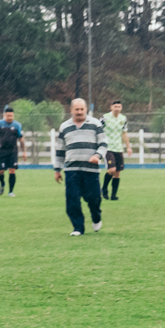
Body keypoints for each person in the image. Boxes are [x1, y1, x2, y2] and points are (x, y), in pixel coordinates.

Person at [54, 99, 107, 236]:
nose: (79, 112)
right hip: (71, 170)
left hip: (91, 170)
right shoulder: (64, 126)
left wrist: (97, 155)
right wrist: (57, 169)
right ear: (71, 110)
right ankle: (78, 228)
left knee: (94, 198)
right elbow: (60, 149)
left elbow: (103, 144)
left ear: (86, 110)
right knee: (72, 200)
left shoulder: (95, 124)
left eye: (81, 109)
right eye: (76, 109)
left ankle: (96, 217)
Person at [0, 104, 26, 196]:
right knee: (0, 172)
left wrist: (24, 151)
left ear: (13, 115)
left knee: (12, 171)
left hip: (13, 152)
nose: (10, 117)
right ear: (4, 115)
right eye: (8, 116)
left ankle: (10, 191)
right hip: (1, 151)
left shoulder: (17, 125)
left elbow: (21, 139)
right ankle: (2, 183)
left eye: (11, 116)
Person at [101, 100, 133, 200]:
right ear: (111, 107)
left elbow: (124, 133)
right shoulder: (105, 118)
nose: (117, 109)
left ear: (121, 108)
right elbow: (98, 129)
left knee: (117, 172)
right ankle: (104, 188)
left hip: (118, 148)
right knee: (112, 169)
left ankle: (113, 195)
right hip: (108, 148)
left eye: (119, 107)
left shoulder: (123, 119)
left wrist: (128, 147)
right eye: (115, 106)